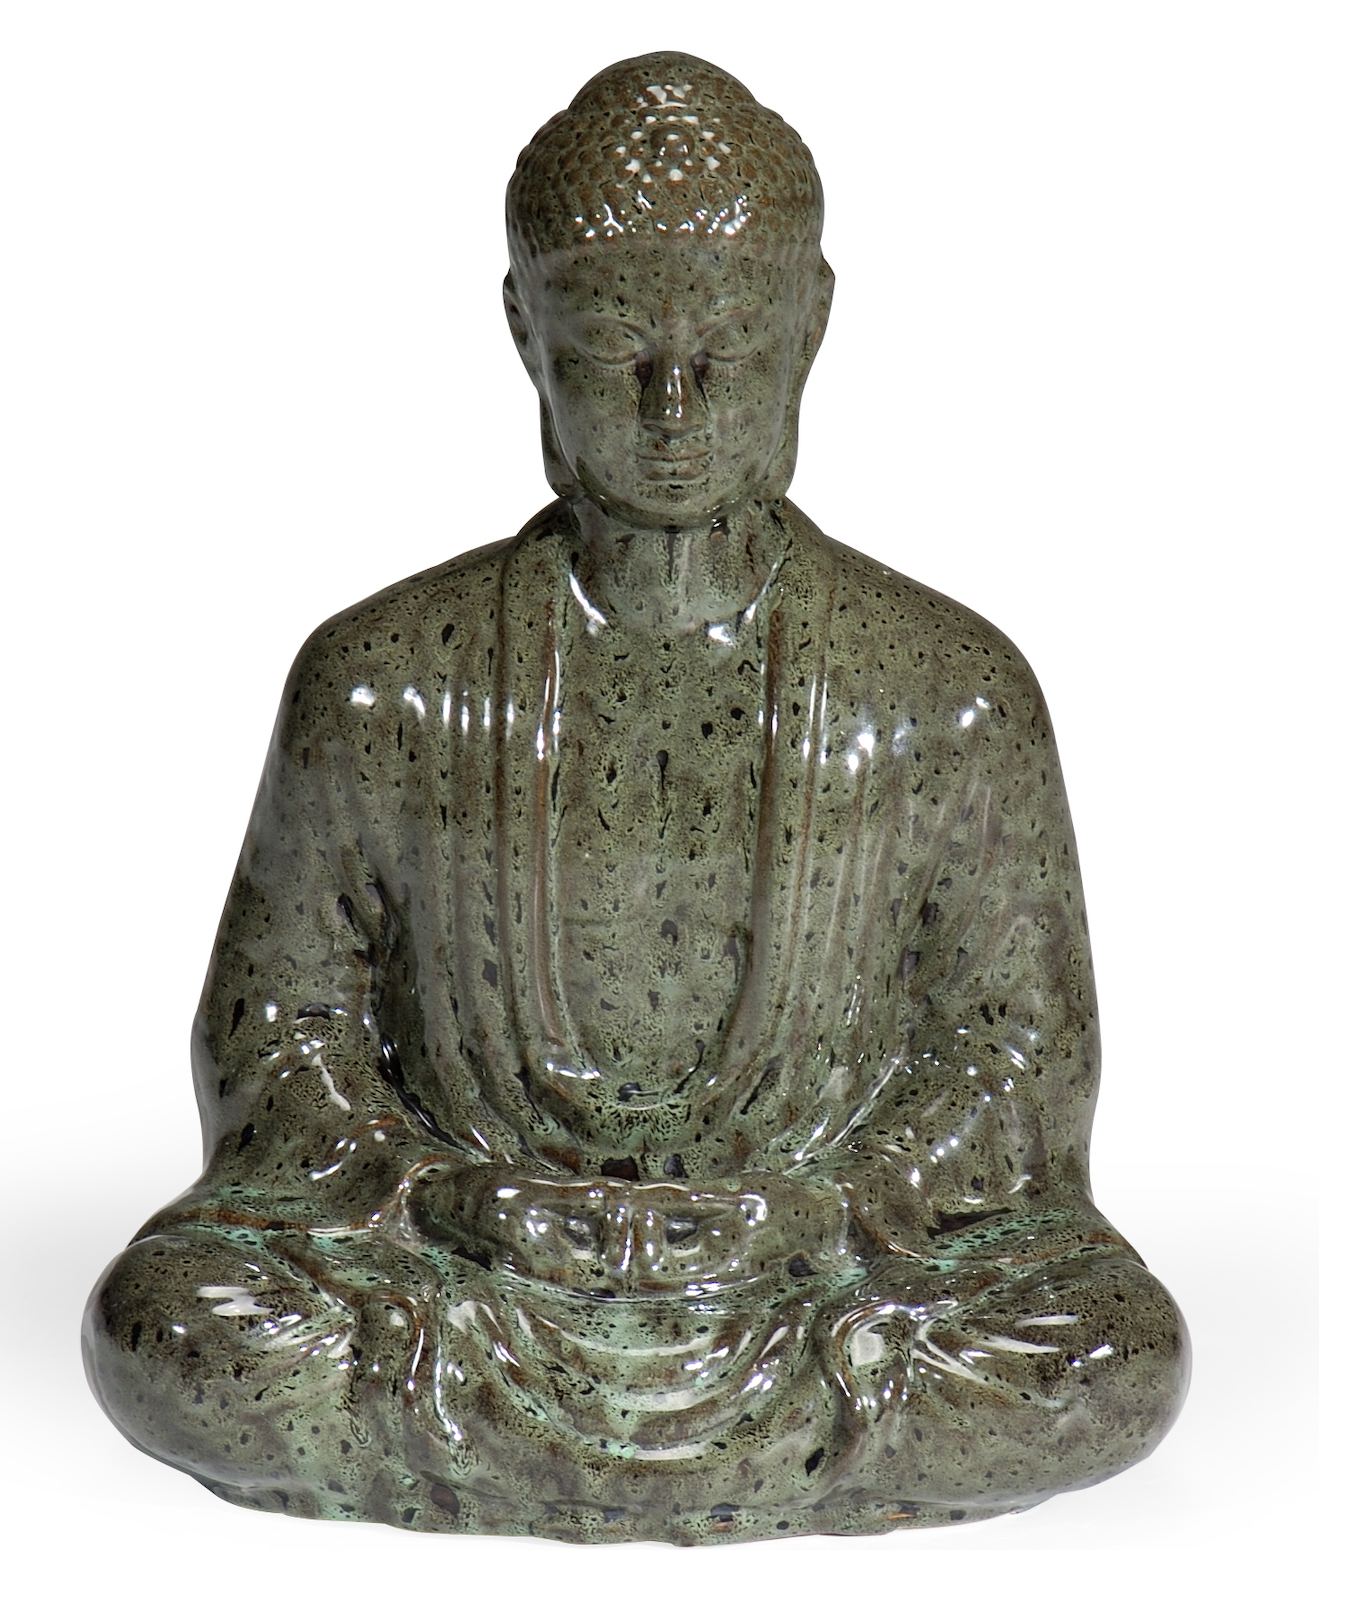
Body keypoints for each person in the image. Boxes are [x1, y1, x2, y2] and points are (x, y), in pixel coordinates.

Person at [84, 53, 1187, 1543]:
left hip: (817, 1277)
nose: (675, 407)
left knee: (1104, 1351)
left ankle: (552, 1450)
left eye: (727, 352)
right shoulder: (382, 683)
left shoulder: (946, 693)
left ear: (812, 326)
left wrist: (829, 1208)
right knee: (180, 1325)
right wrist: (443, 1196)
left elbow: (1019, 1062)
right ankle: (762, 1458)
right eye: (615, 354)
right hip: (474, 1267)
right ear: (524, 334)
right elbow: (274, 1039)